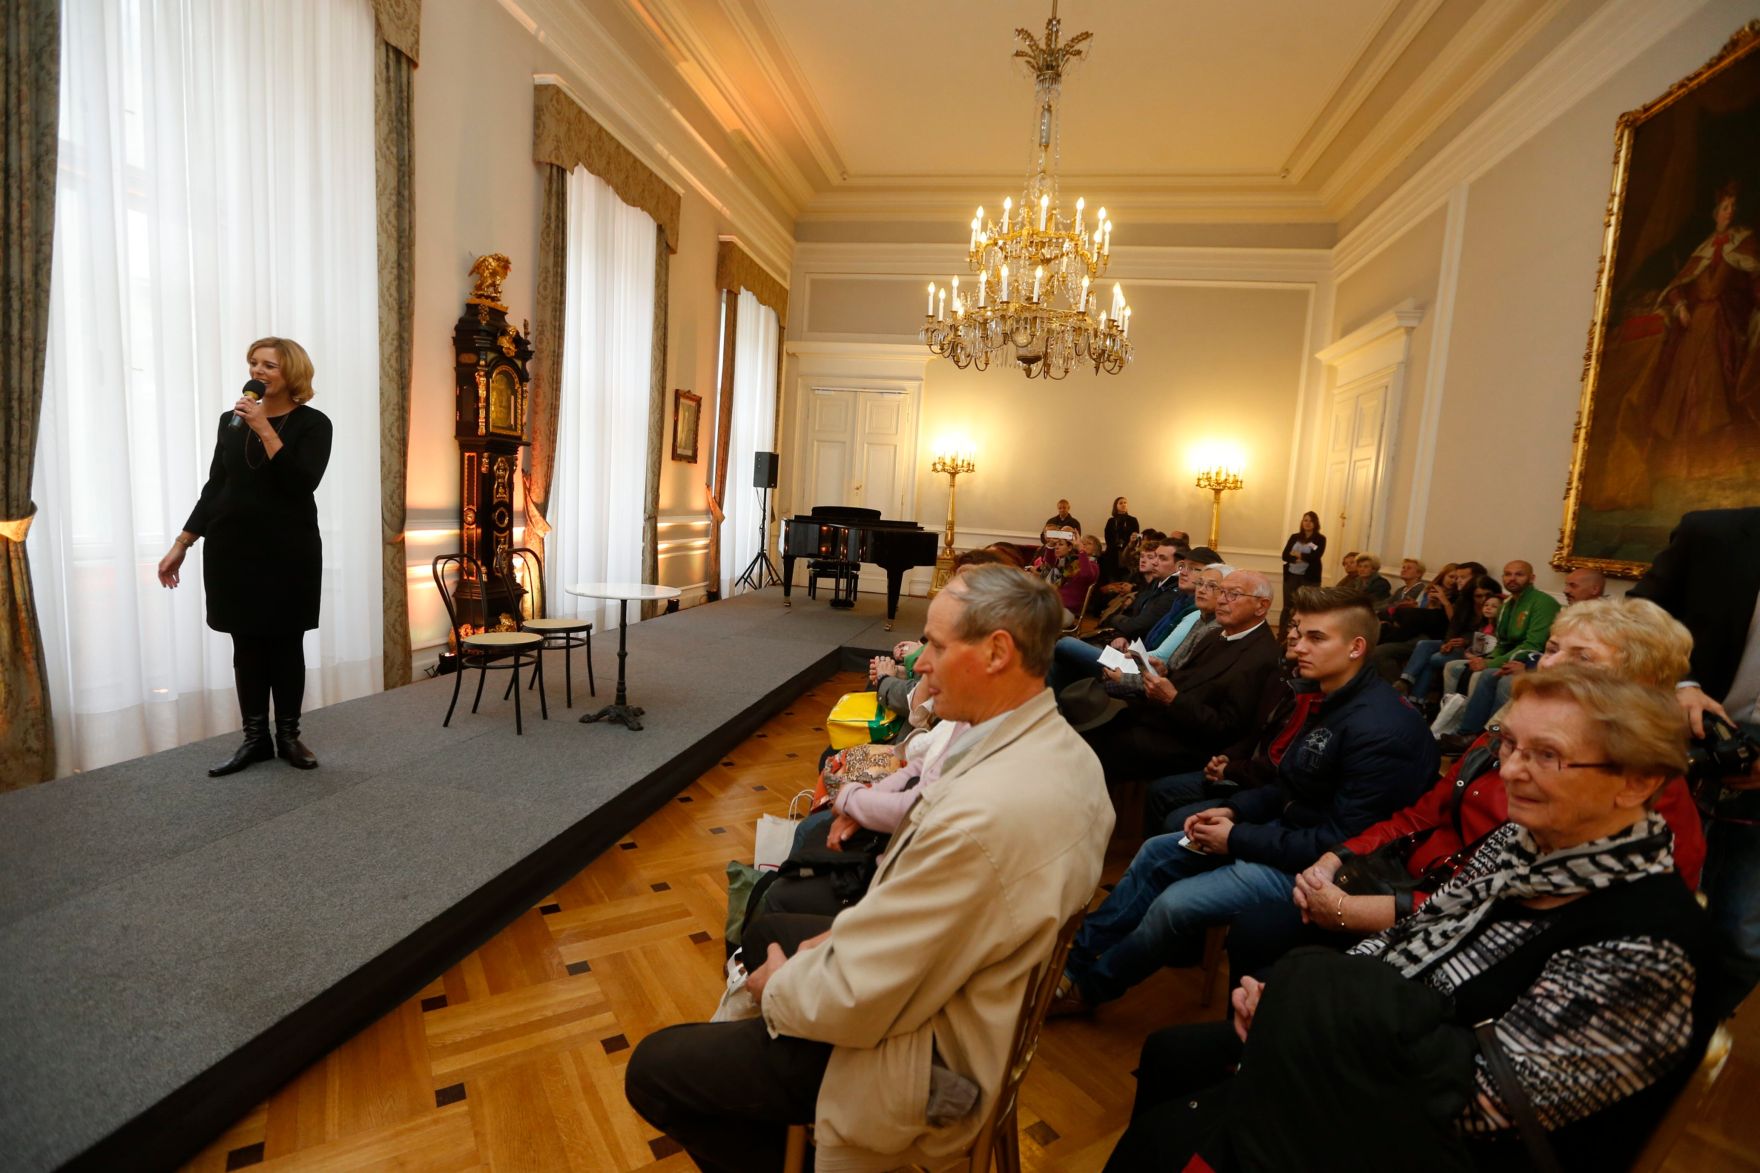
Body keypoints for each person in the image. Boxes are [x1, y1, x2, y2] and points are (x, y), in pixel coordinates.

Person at [1108, 670, 1718, 1172]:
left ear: (1637, 783)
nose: (1508, 773)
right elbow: (1411, 938)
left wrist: (1306, 1021)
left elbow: (1483, 1105)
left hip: (1449, 1140)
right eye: (1507, 745)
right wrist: (1298, 1006)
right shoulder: (1522, 842)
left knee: (1165, 1139)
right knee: (1170, 1056)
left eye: (1547, 755)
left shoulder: (1648, 942)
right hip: (1392, 1053)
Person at [624, 566, 1112, 1172]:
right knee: (765, 933)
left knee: (654, 1069)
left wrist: (776, 988)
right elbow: (925, 926)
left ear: (996, 651)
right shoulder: (1066, 754)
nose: (922, 664)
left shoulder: (983, 819)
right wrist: (838, 939)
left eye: (935, 644)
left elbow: (862, 995)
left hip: (921, 1055)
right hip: (959, 996)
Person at [1227, 596, 1709, 983]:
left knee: (1282, 979)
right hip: (1402, 884)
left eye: (1581, 657)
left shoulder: (1637, 795)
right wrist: (1338, 857)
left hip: (1447, 938)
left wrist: (1359, 914)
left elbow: (1503, 921)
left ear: (1638, 684)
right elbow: (1420, 815)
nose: (1550, 664)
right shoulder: (1508, 732)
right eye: (1554, 648)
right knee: (1254, 935)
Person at [1054, 586, 1436, 1014]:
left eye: (1316, 638)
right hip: (1287, 833)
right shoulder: (1327, 697)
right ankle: (1070, 964)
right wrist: (1234, 809)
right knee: (1155, 852)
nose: (1298, 645)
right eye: (1299, 633)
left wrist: (1236, 837)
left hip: (1326, 869)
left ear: (1356, 648)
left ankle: (1089, 990)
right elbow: (1290, 786)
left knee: (1175, 905)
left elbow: (1343, 840)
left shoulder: (1380, 728)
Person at [157, 337, 331, 775]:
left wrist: (265, 429)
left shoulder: (314, 424)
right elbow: (217, 486)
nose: (258, 371)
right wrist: (182, 543)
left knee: (286, 642)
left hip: (288, 549)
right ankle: (255, 740)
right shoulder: (228, 422)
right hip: (232, 548)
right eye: (254, 363)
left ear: (291, 373)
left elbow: (300, 483)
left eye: (269, 365)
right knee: (247, 645)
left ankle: (289, 736)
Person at [1630, 506, 1760, 1014]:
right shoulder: (1714, 533)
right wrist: (1679, 685)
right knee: (1656, 914)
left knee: (1744, 937)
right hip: (1681, 739)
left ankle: (1700, 1044)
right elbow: (1640, 616)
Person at [1076, 570, 1281, 782]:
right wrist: (1167, 673)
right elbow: (1195, 679)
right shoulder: (1217, 634)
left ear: (1261, 606)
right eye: (1221, 592)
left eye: (1233, 594)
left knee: (1102, 743)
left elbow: (1227, 729)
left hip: (1193, 743)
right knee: (1093, 716)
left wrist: (1172, 699)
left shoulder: (1261, 657)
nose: (1220, 600)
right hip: (1169, 718)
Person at [1437, 560, 1562, 751]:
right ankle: (1448, 722)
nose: (1512, 578)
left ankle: (1472, 736)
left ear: (1532, 578)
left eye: (1519, 574)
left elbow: (1532, 645)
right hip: (1504, 656)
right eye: (1508, 574)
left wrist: (1490, 663)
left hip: (1528, 660)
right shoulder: (1506, 604)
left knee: (1485, 675)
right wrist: (1486, 659)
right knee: (1453, 667)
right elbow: (1501, 642)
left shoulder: (1543, 603)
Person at [1030, 527, 1097, 626]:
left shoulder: (1092, 565)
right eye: (1083, 543)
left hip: (1067, 609)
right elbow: (1050, 567)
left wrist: (1081, 551)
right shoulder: (1070, 562)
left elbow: (1086, 575)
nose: (1084, 545)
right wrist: (1051, 545)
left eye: (1088, 543)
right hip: (1052, 603)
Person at [1276, 511, 1325, 632]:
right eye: (1305, 520)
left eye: (1311, 521)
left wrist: (1298, 555)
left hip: (1309, 578)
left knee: (1307, 607)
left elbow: (1316, 556)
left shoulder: (1320, 539)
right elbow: (1285, 555)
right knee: (1288, 607)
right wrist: (1299, 557)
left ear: (1315, 523)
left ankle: (1304, 633)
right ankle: (1282, 634)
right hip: (1291, 576)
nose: (1308, 523)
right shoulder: (1294, 537)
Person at [1100, 496, 1139, 583]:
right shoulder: (1111, 521)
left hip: (1127, 553)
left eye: (1125, 503)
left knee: (1126, 578)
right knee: (1112, 579)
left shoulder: (1133, 520)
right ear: (1116, 506)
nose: (1123, 504)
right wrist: (1115, 546)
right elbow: (1108, 537)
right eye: (1120, 503)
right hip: (1112, 553)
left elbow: (1135, 536)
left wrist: (1128, 546)